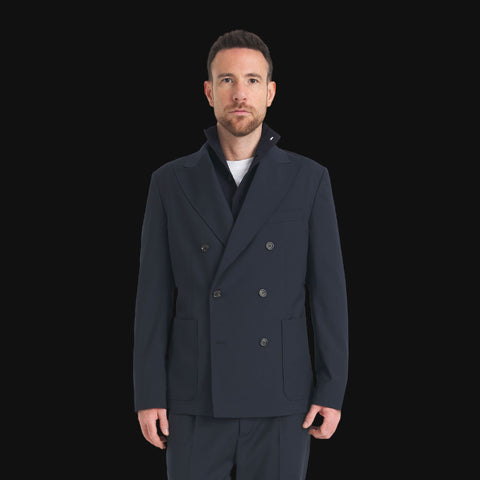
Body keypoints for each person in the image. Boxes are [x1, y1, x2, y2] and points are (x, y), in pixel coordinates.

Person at [133, 29, 349, 479]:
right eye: (227, 80)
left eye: (252, 80)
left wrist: (331, 389)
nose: (239, 93)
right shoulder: (170, 181)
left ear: (270, 93)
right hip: (194, 396)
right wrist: (148, 393)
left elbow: (328, 293)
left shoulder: (309, 179)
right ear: (209, 92)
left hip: (282, 398)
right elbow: (152, 296)